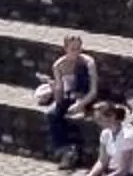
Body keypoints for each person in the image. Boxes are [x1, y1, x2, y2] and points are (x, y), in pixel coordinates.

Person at [37, 34, 100, 167]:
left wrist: (81, 104)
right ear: (65, 49)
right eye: (73, 49)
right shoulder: (58, 65)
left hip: (85, 95)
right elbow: (60, 91)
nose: (77, 52)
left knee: (81, 72)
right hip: (70, 95)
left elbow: (93, 90)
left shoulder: (88, 62)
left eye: (78, 48)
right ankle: (66, 149)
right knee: (52, 114)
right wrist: (56, 95)